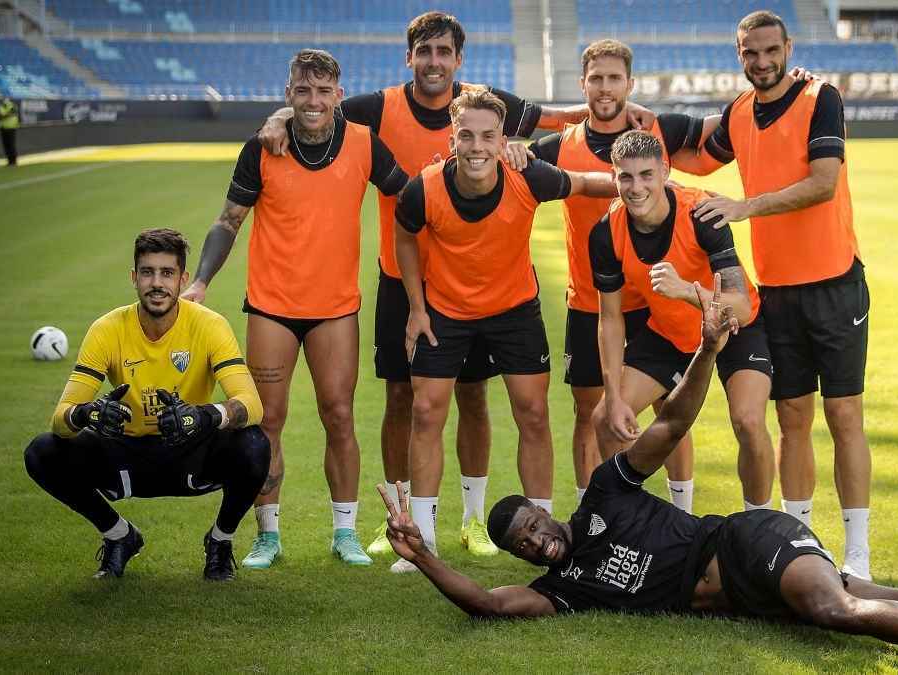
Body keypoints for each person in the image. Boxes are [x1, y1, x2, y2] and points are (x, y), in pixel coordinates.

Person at [378, 274, 898, 674]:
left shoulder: (605, 492)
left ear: (547, 512)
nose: (537, 539)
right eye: (523, 543)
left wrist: (707, 349)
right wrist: (422, 553)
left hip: (745, 542)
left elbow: (671, 425)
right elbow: (486, 604)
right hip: (748, 597)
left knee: (836, 607)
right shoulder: (564, 589)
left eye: (533, 523)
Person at [256, 12, 656, 562]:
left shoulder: (491, 118)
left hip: (497, 295)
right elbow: (317, 108)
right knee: (409, 402)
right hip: (417, 290)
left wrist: (640, 175)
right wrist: (279, 116)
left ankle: (484, 521)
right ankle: (406, 528)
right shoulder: (387, 118)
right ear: (410, 58)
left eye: (444, 51)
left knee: (496, 403)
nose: (434, 61)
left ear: (459, 61)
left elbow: (558, 133)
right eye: (425, 51)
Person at [182, 49, 408, 569]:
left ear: (338, 95)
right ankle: (268, 535)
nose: (313, 100)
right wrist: (200, 281)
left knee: (339, 415)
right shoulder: (262, 147)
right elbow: (229, 221)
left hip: (335, 308)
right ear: (288, 93)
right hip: (272, 306)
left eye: (323, 91)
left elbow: (410, 194)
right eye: (302, 90)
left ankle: (345, 533)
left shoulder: (363, 143)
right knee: (267, 421)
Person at [390, 89, 617, 573]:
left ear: (502, 140)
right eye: (466, 136)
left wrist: (641, 183)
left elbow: (584, 182)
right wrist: (416, 308)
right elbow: (405, 236)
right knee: (426, 413)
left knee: (533, 413)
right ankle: (422, 542)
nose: (476, 146)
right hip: (446, 311)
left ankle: (548, 527)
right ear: (452, 139)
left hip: (514, 310)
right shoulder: (423, 189)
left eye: (488, 136)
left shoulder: (528, 176)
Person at [687, 10, 873, 579]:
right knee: (792, 416)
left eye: (771, 50)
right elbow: (697, 156)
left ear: (788, 47)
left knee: (843, 414)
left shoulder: (821, 97)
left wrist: (747, 206)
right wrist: (625, 128)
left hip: (835, 283)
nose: (762, 62)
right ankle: (802, 543)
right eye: (751, 53)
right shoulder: (739, 112)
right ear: (739, 54)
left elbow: (823, 182)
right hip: (778, 292)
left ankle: (859, 554)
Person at [507, 39, 715, 511]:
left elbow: (727, 128)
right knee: (589, 411)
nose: (605, 88)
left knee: (670, 409)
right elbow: (507, 163)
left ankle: (682, 514)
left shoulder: (656, 132)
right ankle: (594, 516)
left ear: (630, 83)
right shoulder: (559, 146)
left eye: (614, 78)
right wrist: (512, 150)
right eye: (596, 79)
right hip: (591, 301)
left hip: (654, 304)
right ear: (583, 85)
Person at [23, 228, 269, 581]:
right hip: (125, 453)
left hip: (190, 451)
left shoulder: (210, 325)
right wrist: (87, 413)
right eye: (148, 272)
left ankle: (220, 541)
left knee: (254, 444)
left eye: (167, 273)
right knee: (42, 451)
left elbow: (252, 405)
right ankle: (119, 535)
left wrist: (203, 416)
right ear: (134, 278)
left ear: (182, 279)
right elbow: (60, 421)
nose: (157, 283)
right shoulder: (107, 329)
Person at [586, 130, 775, 514]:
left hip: (735, 330)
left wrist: (686, 291)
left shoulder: (701, 214)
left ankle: (761, 525)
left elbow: (740, 307)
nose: (636, 187)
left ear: (664, 172)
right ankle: (631, 526)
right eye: (626, 177)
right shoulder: (606, 232)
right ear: (613, 177)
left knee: (749, 421)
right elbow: (610, 319)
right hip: (672, 334)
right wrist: (615, 394)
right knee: (606, 418)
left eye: (646, 175)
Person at [0, 97, 18, 166]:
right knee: (6, 145)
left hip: (11, 127)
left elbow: (7, 115)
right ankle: (9, 161)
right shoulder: (1, 106)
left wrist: (4, 115)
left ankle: (14, 161)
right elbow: (0, 116)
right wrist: (6, 115)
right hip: (3, 127)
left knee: (11, 145)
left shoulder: (12, 106)